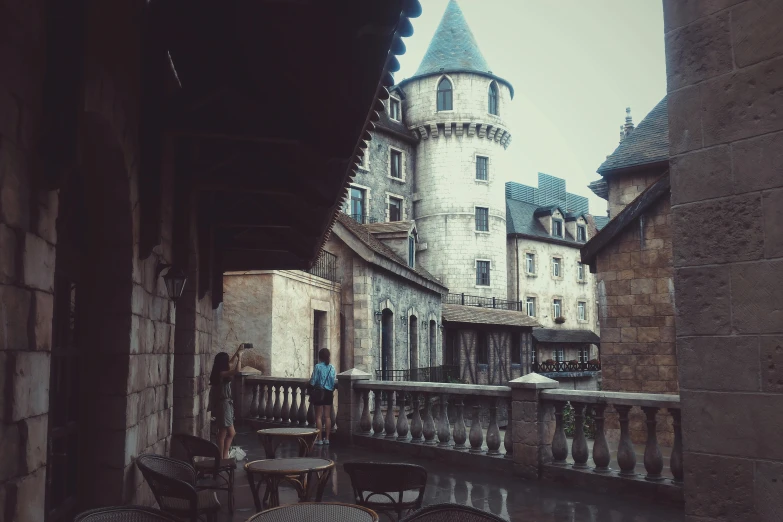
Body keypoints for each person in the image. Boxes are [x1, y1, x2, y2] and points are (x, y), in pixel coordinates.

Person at [209, 346, 244, 459]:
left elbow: (230, 362)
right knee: (227, 433)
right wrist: (240, 358)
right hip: (224, 405)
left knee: (225, 433)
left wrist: (237, 351)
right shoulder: (222, 374)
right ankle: (222, 456)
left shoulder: (220, 372)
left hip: (225, 405)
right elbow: (237, 371)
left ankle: (223, 456)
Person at [309, 348, 336, 445]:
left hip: (319, 392)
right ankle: (327, 438)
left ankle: (319, 439)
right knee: (327, 417)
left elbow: (313, 381)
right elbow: (333, 382)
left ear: (320, 356)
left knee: (318, 417)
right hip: (329, 393)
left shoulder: (318, 367)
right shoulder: (332, 367)